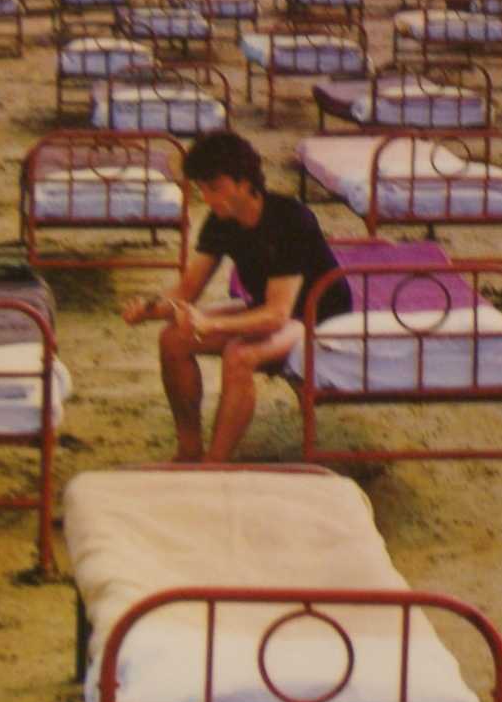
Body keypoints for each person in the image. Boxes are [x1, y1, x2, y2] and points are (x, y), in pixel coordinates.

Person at [121, 129, 351, 463]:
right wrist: (149, 309)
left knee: (239, 354)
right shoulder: (221, 221)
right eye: (202, 188)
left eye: (214, 188)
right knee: (172, 340)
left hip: (316, 315)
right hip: (269, 307)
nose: (207, 197)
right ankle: (189, 451)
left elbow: (277, 315)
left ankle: (216, 463)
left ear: (245, 182)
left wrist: (210, 325)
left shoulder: (290, 219)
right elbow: (187, 291)